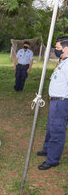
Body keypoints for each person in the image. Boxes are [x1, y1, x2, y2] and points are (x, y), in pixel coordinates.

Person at [37, 36, 68, 170]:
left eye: (58, 48)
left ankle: (52, 159)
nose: (56, 50)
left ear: (66, 49)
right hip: (54, 101)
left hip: (61, 102)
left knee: (57, 130)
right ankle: (47, 149)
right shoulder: (62, 62)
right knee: (50, 127)